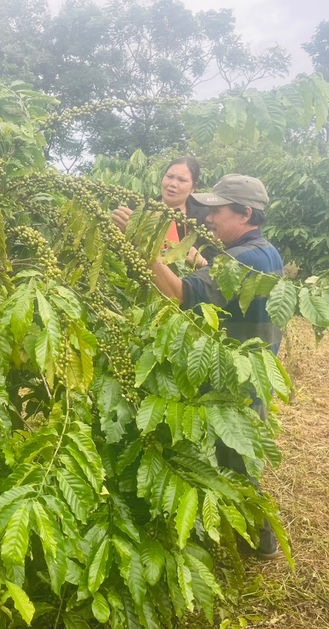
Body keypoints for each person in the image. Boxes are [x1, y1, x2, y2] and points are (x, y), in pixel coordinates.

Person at [114, 174, 284, 559]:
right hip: (251, 374)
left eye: (217, 211)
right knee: (232, 458)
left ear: (244, 214)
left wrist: (141, 247)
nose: (207, 218)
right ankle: (237, 533)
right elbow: (217, 276)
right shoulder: (265, 252)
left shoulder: (243, 260)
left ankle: (260, 544)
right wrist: (183, 252)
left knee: (237, 465)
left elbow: (179, 294)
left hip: (233, 383)